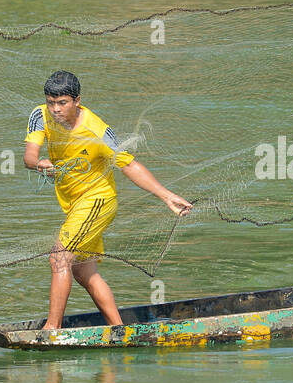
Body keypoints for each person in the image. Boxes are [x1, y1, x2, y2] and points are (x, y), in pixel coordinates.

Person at [24, 70, 192, 332]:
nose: (55, 109)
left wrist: (167, 196)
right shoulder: (39, 115)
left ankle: (51, 329)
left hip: (98, 201)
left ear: (77, 101)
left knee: (59, 258)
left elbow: (130, 165)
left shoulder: (97, 131)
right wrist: (39, 163)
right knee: (83, 272)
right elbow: (29, 157)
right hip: (75, 205)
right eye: (51, 102)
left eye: (62, 103)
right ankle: (119, 330)